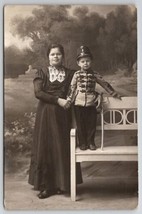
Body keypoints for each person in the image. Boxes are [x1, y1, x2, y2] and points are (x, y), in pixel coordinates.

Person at [28, 44, 82, 199]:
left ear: (62, 56)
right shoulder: (42, 72)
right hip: (46, 114)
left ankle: (62, 184)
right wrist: (58, 100)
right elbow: (38, 93)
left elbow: (82, 88)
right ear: (48, 57)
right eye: (52, 54)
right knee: (47, 147)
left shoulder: (71, 73)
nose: (56, 57)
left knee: (62, 147)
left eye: (58, 54)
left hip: (64, 115)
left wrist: (96, 99)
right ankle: (47, 185)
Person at [66, 46, 121, 151]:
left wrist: (113, 93)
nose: (85, 63)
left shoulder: (94, 74)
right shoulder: (76, 74)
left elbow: (105, 84)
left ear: (91, 61)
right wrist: (69, 100)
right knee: (80, 125)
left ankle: (91, 142)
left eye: (87, 61)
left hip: (92, 103)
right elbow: (72, 88)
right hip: (78, 103)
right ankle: (83, 143)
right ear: (78, 63)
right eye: (82, 61)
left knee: (91, 124)